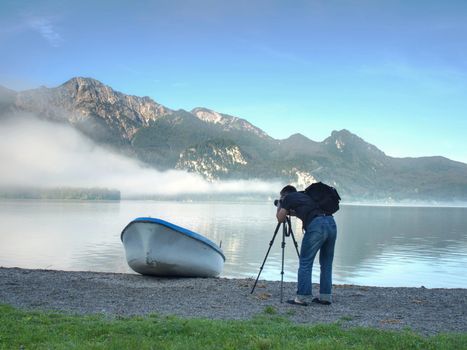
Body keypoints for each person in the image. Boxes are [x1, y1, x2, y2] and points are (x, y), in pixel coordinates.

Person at [276, 185, 337, 306]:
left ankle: (302, 297)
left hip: (316, 226)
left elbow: (280, 218)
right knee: (326, 264)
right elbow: (299, 212)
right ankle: (326, 297)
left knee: (305, 263)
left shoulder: (288, 198)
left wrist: (280, 205)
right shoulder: (306, 196)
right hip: (331, 224)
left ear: (284, 195)